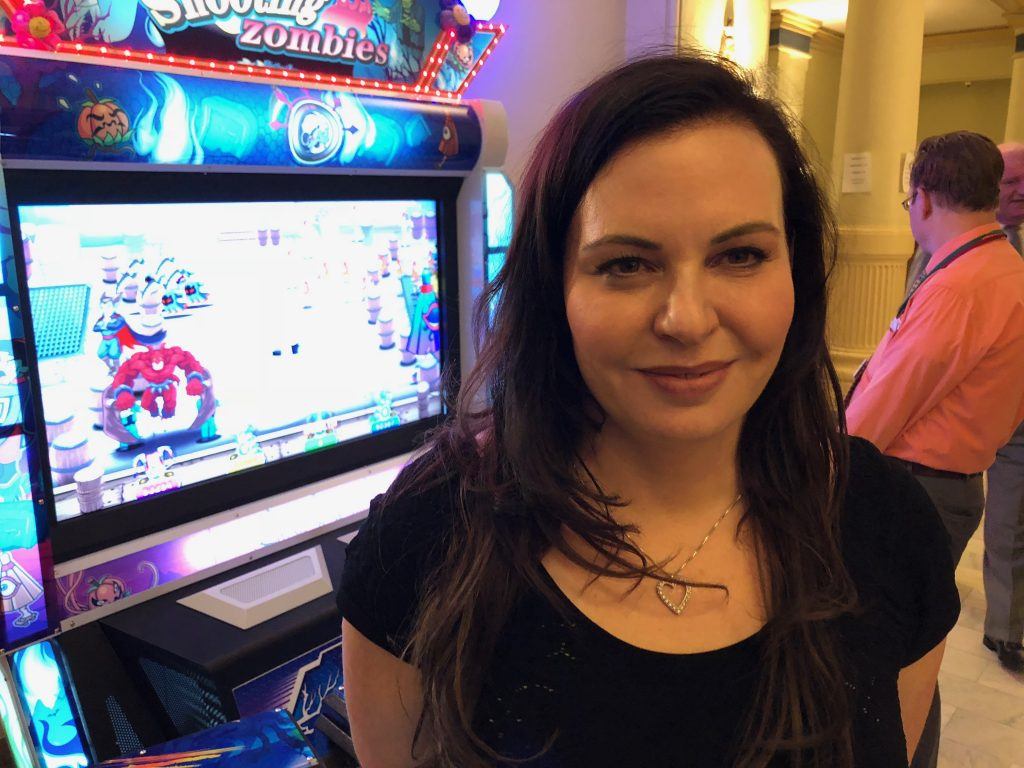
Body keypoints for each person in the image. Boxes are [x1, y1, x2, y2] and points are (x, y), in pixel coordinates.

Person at [338, 54, 959, 768]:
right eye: (626, 265)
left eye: (740, 255)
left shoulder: (890, 527)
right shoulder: (424, 540)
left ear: (796, 269)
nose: (686, 321)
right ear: (555, 290)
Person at [846, 131, 1024, 766]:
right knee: (913, 645)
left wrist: (828, 467)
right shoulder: (1003, 266)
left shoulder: (962, 284)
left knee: (889, 654)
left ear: (922, 197)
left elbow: (886, 400)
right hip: (952, 483)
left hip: (914, 486)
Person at [983, 141, 1024, 672]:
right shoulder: (957, 241)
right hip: (984, 404)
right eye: (1010, 182)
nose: (1020, 193)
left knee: (1015, 518)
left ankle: (1007, 627)